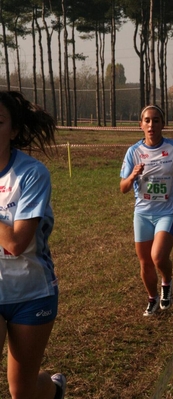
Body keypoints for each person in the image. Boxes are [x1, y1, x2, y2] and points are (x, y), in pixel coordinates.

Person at [0, 91, 66, 398]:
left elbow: (16, 242)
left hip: (32, 293)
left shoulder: (31, 174)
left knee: (22, 391)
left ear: (13, 130)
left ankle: (53, 391)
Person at [120, 104, 173, 316]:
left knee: (158, 257)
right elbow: (123, 187)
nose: (151, 125)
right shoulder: (133, 152)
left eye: (156, 120)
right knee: (145, 262)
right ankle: (152, 298)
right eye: (147, 121)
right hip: (142, 213)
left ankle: (166, 282)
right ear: (140, 125)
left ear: (162, 124)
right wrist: (133, 175)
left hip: (168, 212)